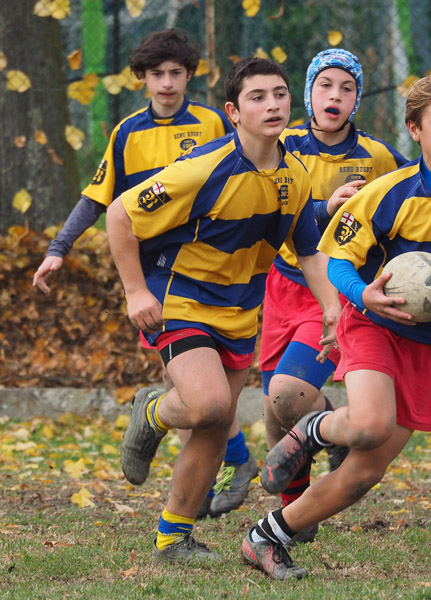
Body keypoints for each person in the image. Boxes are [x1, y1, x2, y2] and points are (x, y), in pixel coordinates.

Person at [241, 70, 431, 580]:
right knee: (367, 425)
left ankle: (267, 538)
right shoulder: (389, 190)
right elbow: (336, 258)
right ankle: (315, 429)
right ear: (415, 129)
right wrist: (360, 294)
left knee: (365, 471)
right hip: (374, 323)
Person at [106, 57, 341, 562]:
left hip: (239, 315)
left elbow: (309, 251)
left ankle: (173, 538)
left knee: (215, 425)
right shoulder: (203, 168)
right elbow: (119, 213)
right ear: (233, 112)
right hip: (180, 302)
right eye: (258, 97)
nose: (273, 104)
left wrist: (331, 308)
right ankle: (152, 410)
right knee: (208, 405)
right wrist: (134, 293)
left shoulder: (295, 177)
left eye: (280, 94)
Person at [31, 29, 258, 519]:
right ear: (142, 79)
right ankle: (227, 464)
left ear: (190, 76)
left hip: (215, 267)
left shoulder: (215, 123)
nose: (168, 82)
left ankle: (220, 467)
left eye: (177, 73)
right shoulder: (128, 132)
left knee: (196, 391)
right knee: (190, 388)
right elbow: (99, 196)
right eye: (158, 74)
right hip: (157, 274)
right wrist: (58, 248)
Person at [257, 48, 407, 545]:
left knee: (287, 395)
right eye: (326, 86)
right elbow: (265, 200)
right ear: (309, 94)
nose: (335, 96)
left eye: (346, 88)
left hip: (331, 290)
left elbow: (416, 194)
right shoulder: (285, 144)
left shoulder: (380, 156)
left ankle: (328, 425)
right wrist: (324, 207)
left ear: (357, 97)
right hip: (278, 284)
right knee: (276, 414)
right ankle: (297, 514)